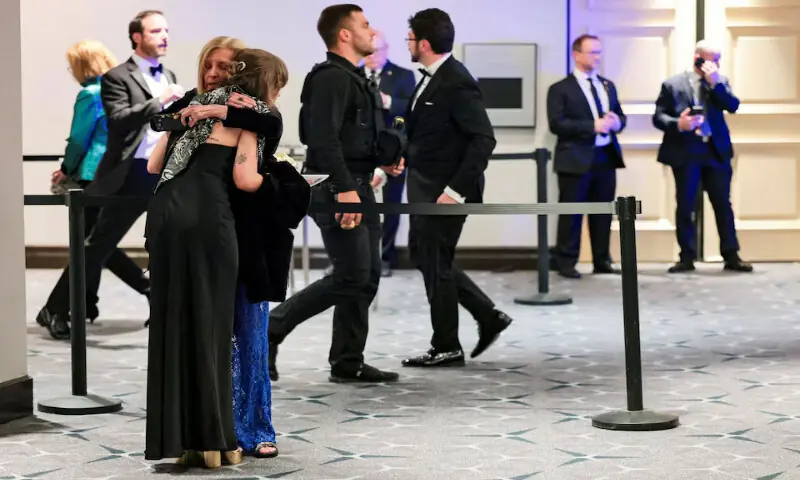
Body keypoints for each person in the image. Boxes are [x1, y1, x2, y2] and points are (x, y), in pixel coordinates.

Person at [144, 48, 296, 468]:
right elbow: (246, 179)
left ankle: (176, 441)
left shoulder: (190, 110)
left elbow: (155, 165)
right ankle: (216, 442)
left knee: (172, 327)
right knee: (216, 330)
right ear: (268, 85)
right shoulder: (252, 116)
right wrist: (288, 183)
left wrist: (193, 111)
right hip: (212, 222)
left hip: (162, 216)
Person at [267, 4, 401, 384]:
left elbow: (353, 136)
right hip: (339, 188)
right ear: (344, 34)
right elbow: (323, 142)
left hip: (358, 184)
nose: (371, 31)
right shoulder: (329, 78)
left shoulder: (354, 77)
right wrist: (345, 192)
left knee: (367, 274)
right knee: (351, 275)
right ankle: (271, 329)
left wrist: (383, 160)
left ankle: (348, 360)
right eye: (364, 25)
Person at [36, 10, 185, 338]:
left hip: (163, 172)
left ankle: (162, 306)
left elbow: (163, 125)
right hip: (129, 173)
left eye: (166, 30)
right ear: (137, 37)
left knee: (168, 242)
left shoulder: (168, 73)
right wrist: (158, 101)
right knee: (100, 245)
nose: (164, 36)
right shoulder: (117, 77)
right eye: (156, 31)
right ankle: (55, 307)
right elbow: (119, 120)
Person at [400, 8, 512, 368]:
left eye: (410, 39)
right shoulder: (433, 76)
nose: (408, 44)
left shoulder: (456, 80)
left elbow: (483, 139)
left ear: (425, 43)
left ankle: (447, 344)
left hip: (443, 193)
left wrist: (456, 191)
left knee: (435, 261)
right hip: (424, 189)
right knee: (427, 257)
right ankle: (486, 315)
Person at [36, 40, 144, 338]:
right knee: (98, 243)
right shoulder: (124, 89)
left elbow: (79, 141)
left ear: (83, 66)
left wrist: (66, 170)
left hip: (90, 176)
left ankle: (57, 308)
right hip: (118, 175)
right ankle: (83, 303)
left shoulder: (90, 94)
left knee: (95, 245)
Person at [653, 40, 752, 274]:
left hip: (714, 152)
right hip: (686, 153)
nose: (714, 64)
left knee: (722, 205)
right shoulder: (673, 84)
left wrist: (715, 84)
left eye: (718, 60)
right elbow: (658, 117)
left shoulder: (719, 82)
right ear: (697, 58)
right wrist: (679, 123)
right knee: (686, 205)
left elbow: (732, 105)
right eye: (710, 59)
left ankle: (731, 254)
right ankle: (686, 256)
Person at [547, 34, 626, 279]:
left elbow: (620, 117)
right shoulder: (560, 89)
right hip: (575, 159)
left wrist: (616, 123)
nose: (597, 57)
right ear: (576, 54)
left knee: (602, 212)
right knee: (572, 213)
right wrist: (592, 126)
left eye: (599, 53)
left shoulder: (607, 85)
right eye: (592, 52)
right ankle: (566, 262)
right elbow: (557, 124)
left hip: (605, 157)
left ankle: (602, 260)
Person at [363, 30, 416, 277]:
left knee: (391, 205)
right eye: (368, 50)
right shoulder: (352, 75)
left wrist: (387, 101)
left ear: (386, 50)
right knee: (358, 205)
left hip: (392, 150)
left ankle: (385, 255)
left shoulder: (403, 76)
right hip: (361, 151)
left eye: (376, 51)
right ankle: (357, 256)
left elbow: (409, 109)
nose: (371, 56)